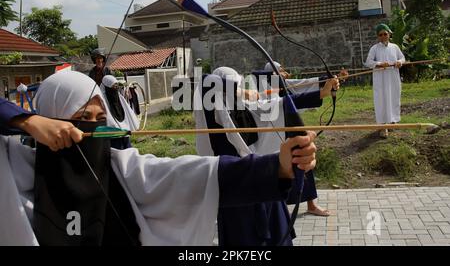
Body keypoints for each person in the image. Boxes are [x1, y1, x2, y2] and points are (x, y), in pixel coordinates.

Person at [0, 70, 317, 246]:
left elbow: (190, 174)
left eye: (100, 118)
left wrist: (278, 164)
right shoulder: (12, 171)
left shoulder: (120, 169)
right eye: (83, 117)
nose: (93, 128)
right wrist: (24, 120)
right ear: (51, 119)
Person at [193, 66, 334, 246]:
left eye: (237, 84)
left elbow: (280, 104)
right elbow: (205, 81)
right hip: (233, 189)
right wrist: (242, 91)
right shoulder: (210, 113)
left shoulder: (242, 108)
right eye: (232, 86)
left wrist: (322, 93)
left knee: (278, 235)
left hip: (262, 180)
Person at [261, 61, 339, 217]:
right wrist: (322, 88)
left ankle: (311, 204)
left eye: (282, 69)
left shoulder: (282, 82)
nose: (283, 72)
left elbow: (300, 85)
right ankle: (276, 210)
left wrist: (324, 81)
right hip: (272, 134)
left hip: (290, 128)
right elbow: (282, 95)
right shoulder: (263, 86)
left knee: (304, 163)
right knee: (277, 170)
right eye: (278, 70)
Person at [365, 24, 405, 138]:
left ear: (389, 34)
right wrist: (379, 64)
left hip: (392, 77)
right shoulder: (375, 48)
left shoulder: (395, 47)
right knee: (381, 100)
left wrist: (399, 62)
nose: (383, 36)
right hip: (380, 79)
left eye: (385, 34)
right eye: (380, 34)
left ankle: (392, 121)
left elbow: (402, 58)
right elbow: (368, 62)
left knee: (393, 98)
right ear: (378, 36)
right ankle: (383, 126)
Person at [1, 97, 83, 151]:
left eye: (96, 118)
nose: (94, 124)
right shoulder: (13, 155)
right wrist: (29, 121)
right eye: (83, 117)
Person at [101, 75, 140, 149]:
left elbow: (127, 111)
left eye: (116, 86)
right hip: (112, 136)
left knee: (128, 151)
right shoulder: (102, 100)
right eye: (112, 87)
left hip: (124, 132)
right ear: (106, 87)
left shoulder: (119, 97)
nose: (115, 89)